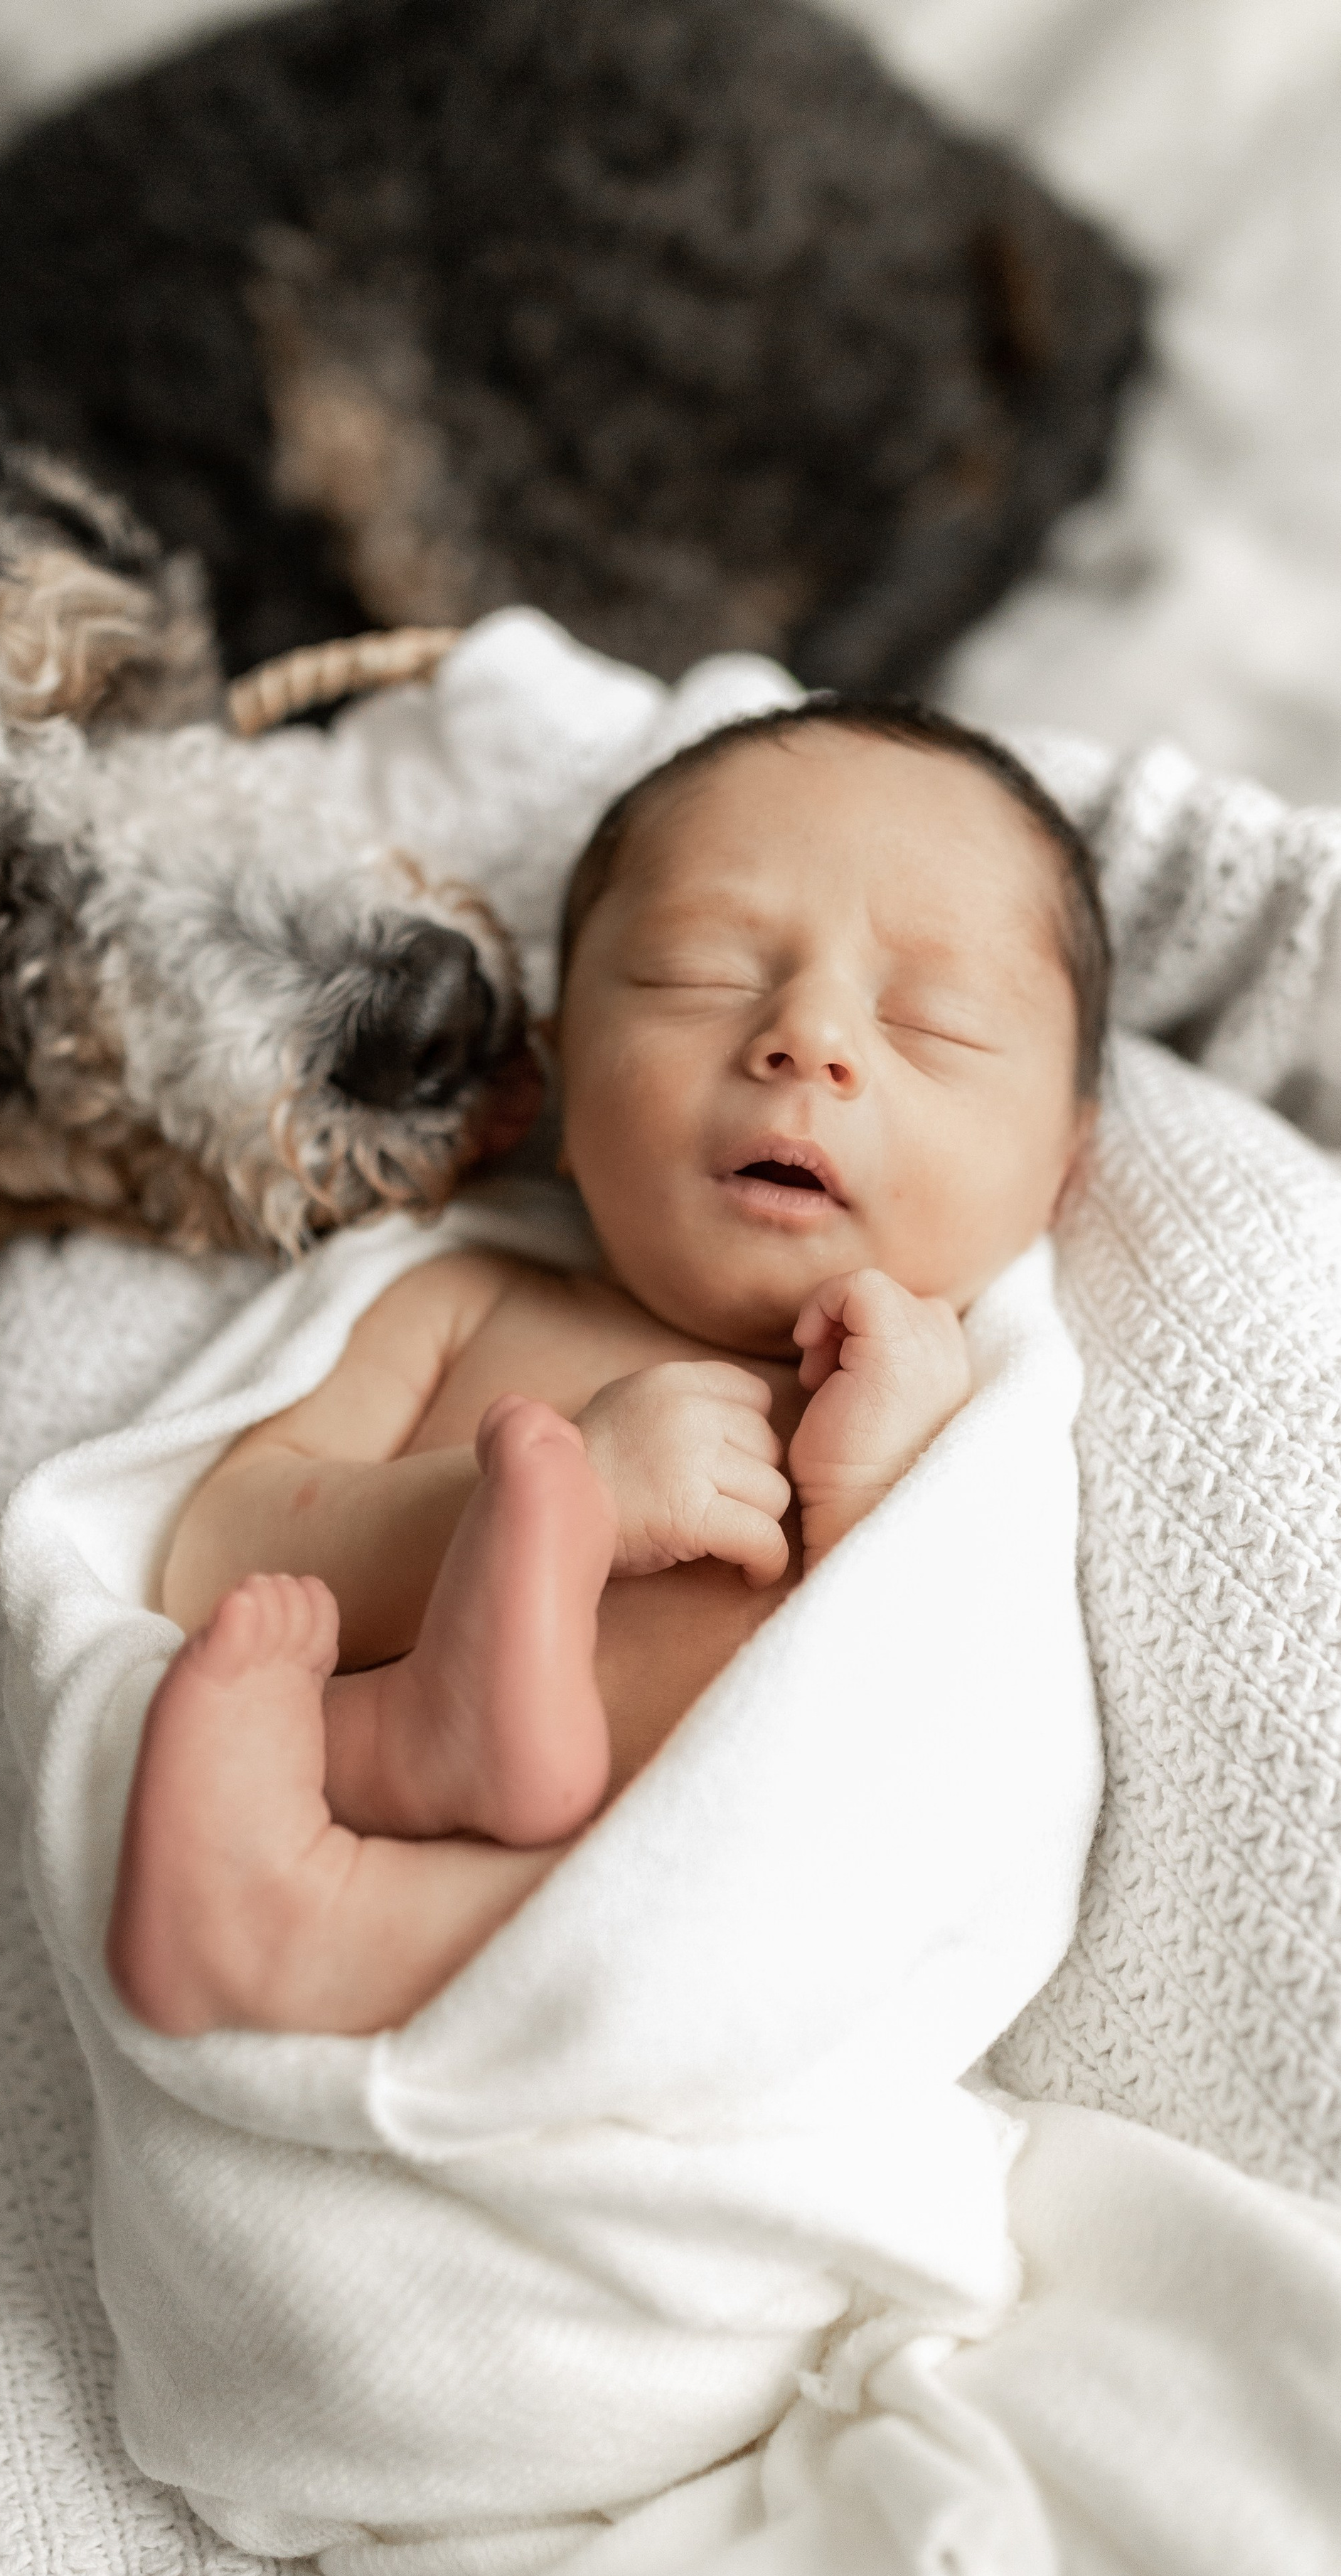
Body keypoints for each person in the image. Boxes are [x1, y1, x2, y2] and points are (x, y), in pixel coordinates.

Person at [109, 697, 1106, 2039]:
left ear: (1062, 1166)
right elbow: (211, 1558)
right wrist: (542, 1501)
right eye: (702, 971)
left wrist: (884, 1503)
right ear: (561, 1086)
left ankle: (313, 1923)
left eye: (934, 1024)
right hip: (368, 1852)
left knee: (721, 1939)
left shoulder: (966, 1425)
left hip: (694, 1980)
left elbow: (963, 1793)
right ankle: (345, 1850)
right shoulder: (464, 1302)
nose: (809, 1037)